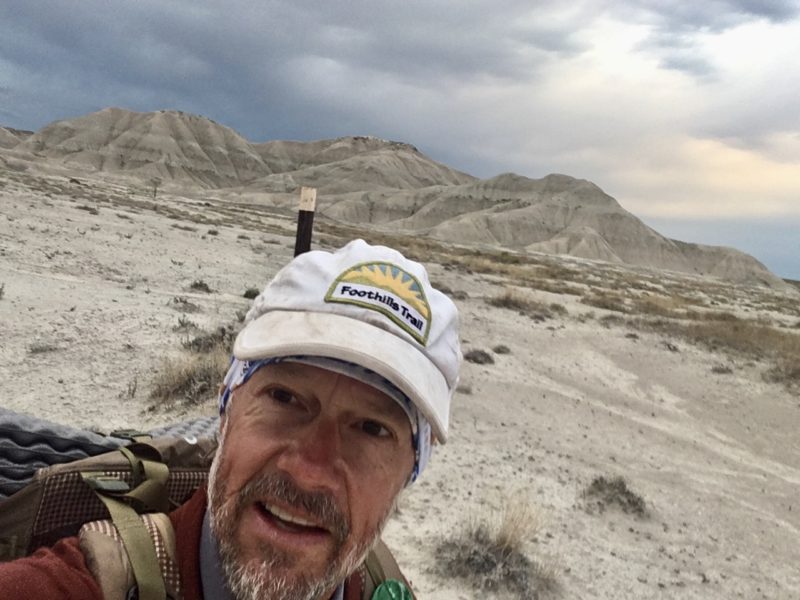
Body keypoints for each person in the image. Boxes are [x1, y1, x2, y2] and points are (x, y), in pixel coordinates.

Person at [0, 239, 462, 600]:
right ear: (225, 407)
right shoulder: (68, 587)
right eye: (284, 397)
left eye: (371, 428)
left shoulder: (382, 588)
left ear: (411, 470)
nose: (308, 470)